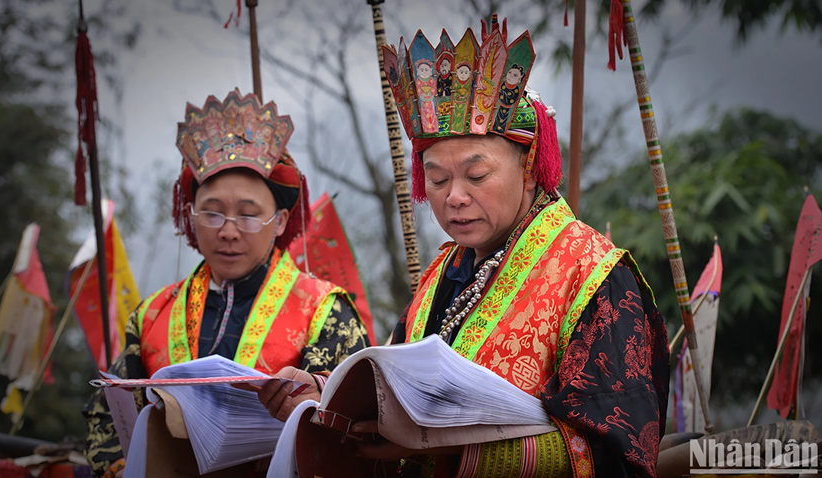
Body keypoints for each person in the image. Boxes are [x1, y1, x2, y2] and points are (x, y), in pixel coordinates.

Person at [259, 15, 669, 478]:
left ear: (530, 168)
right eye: (437, 178)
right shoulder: (443, 271)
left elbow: (619, 451)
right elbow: (391, 389)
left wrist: (450, 450)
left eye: (476, 176)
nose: (454, 196)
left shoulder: (592, 274)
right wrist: (324, 395)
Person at [82, 90, 370, 478]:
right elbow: (109, 419)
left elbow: (354, 425)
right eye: (212, 214)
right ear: (190, 215)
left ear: (281, 222)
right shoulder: (152, 314)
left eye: (249, 216)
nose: (229, 232)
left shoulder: (323, 309)